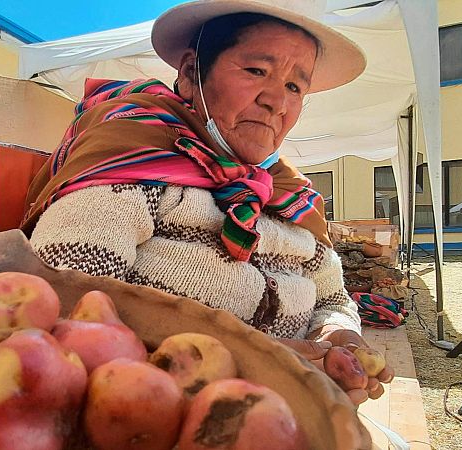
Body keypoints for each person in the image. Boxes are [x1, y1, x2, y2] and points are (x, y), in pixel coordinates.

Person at [22, 0, 393, 404]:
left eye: (294, 86)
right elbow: (67, 300)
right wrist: (250, 364)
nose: (277, 101)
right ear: (189, 72)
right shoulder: (133, 155)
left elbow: (332, 298)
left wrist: (338, 335)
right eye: (256, 71)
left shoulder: (291, 194)